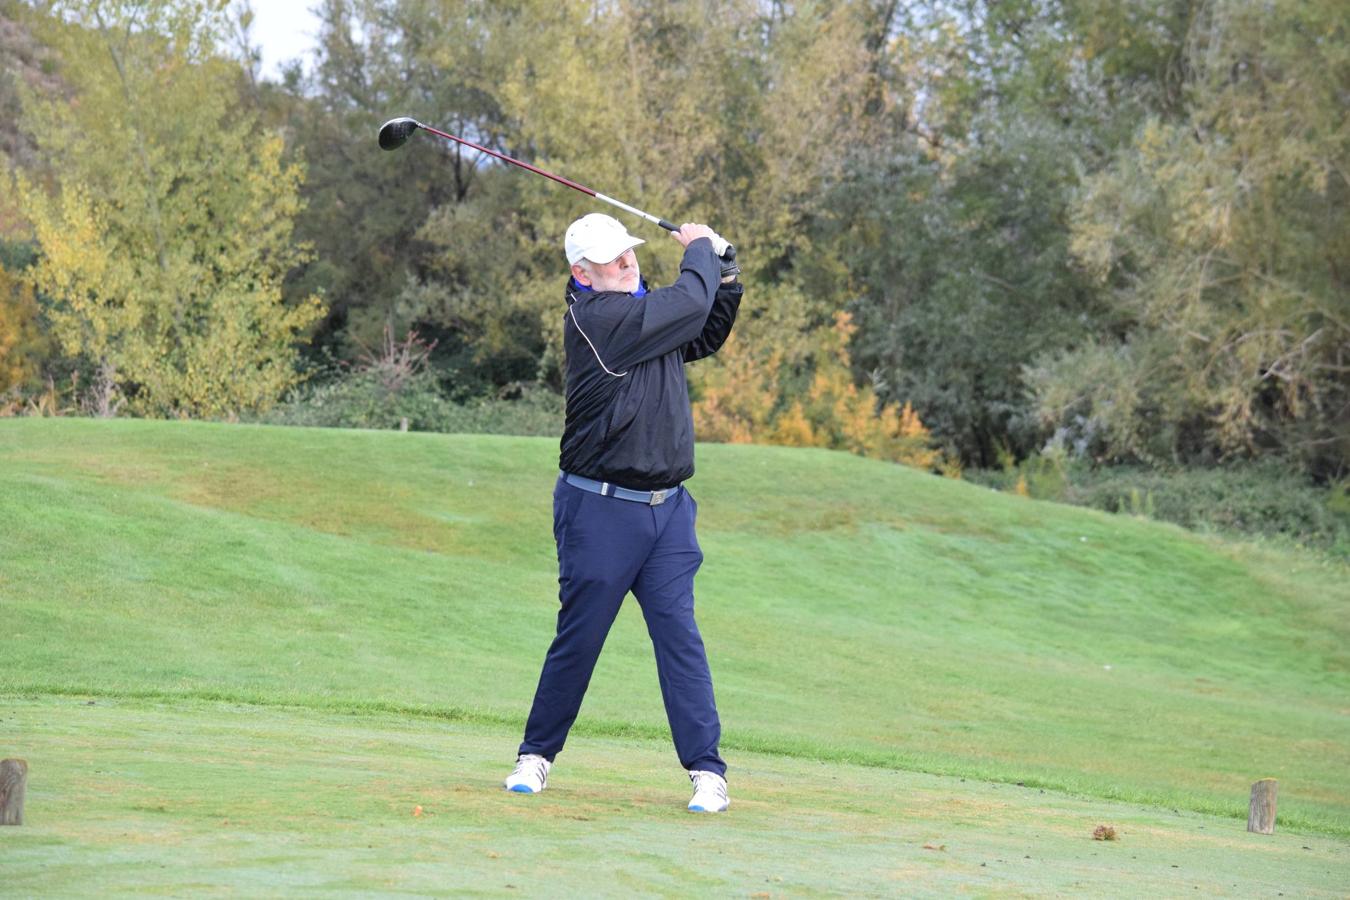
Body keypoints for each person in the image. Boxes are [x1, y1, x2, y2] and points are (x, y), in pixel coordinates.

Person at [504, 212, 743, 813]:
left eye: (628, 253)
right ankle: (536, 755)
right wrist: (698, 251)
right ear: (581, 272)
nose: (627, 262)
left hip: (668, 514)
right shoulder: (598, 321)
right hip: (599, 511)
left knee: (680, 639)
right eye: (612, 259)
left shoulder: (640, 314)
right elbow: (689, 302)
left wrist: (727, 268)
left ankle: (707, 771)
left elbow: (705, 329)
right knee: (580, 638)